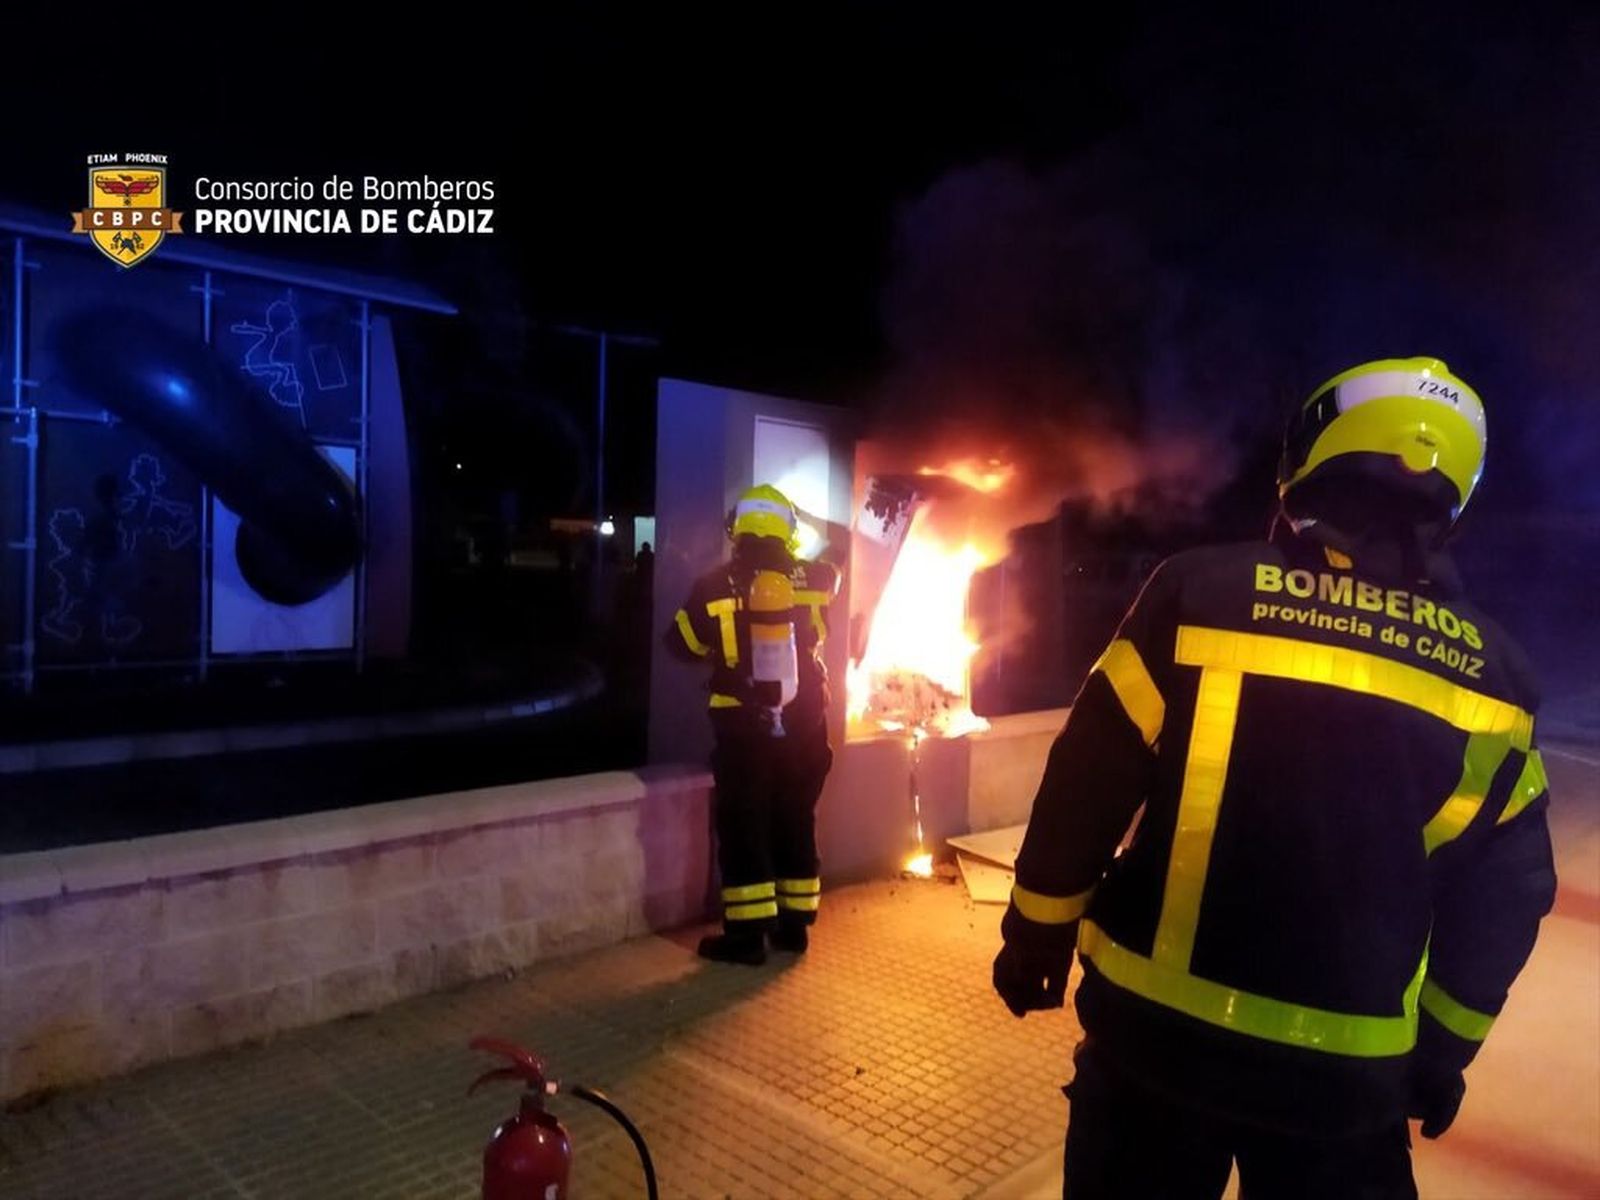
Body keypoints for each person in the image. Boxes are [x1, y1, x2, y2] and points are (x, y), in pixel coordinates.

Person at [992, 358, 1556, 1198]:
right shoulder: (1494, 677)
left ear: (1310, 458)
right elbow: (1507, 892)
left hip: (1153, 1052)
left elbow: (1089, 777)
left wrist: (1037, 930)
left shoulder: (1199, 591)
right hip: (1344, 1088)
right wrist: (1442, 1050)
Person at [666, 484, 841, 965]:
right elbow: (837, 561)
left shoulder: (713, 584)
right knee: (795, 816)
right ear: (787, 528)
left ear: (736, 529)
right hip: (805, 722)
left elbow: (681, 645)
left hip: (742, 726)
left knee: (744, 825)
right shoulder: (817, 578)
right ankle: (794, 927)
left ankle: (745, 938)